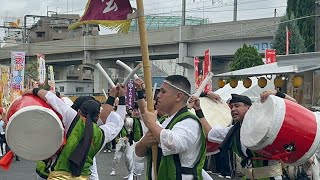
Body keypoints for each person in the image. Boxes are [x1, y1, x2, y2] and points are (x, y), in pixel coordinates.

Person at [188, 90, 297, 180]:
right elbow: (210, 133)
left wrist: (277, 93)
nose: (233, 109)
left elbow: (295, 105)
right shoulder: (233, 131)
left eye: (237, 106)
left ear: (248, 108)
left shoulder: (265, 125)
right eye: (232, 107)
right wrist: (198, 110)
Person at [24, 85, 124, 179]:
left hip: (57, 176)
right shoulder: (102, 134)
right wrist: (122, 97)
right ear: (98, 116)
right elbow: (117, 121)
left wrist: (34, 91)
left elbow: (51, 98)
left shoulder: (71, 119)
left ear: (79, 111)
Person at [135, 75, 206, 180]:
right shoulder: (162, 121)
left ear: (178, 96)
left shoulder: (189, 122)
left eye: (163, 92)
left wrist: (151, 123)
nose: (158, 96)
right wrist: (143, 142)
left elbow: (173, 144)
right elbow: (138, 154)